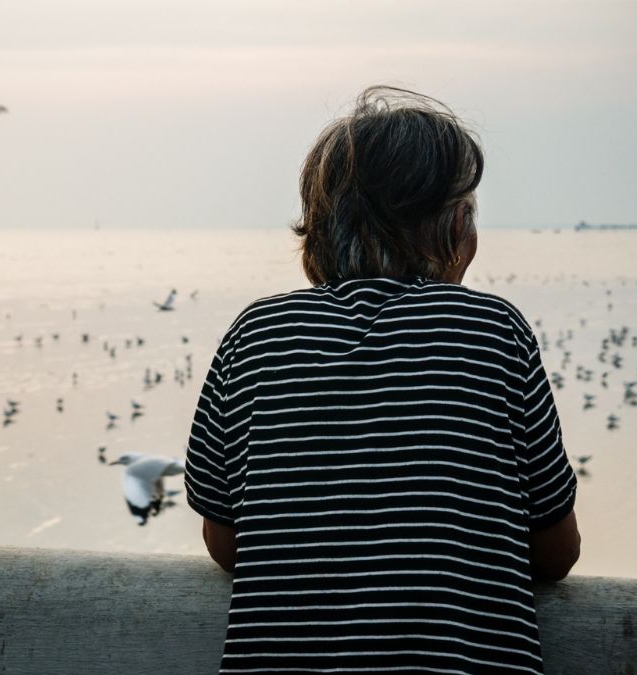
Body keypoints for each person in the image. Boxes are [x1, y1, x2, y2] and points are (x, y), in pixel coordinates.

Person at [185, 86, 580, 675]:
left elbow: (228, 545)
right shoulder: (492, 328)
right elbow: (556, 552)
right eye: (467, 210)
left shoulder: (258, 332)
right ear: (451, 227)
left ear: (316, 227)